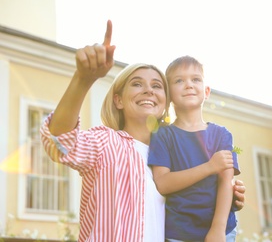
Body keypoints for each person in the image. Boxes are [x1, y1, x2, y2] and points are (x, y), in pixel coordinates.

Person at [40, 20, 245, 242]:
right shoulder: (106, 142)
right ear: (118, 100)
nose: (148, 89)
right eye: (137, 84)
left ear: (166, 102)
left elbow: (197, 197)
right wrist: (83, 79)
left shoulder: (175, 153)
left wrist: (227, 195)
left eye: (157, 86)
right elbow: (59, 143)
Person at [148, 55, 240, 242]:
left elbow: (226, 183)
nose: (189, 84)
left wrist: (218, 229)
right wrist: (209, 167)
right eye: (179, 80)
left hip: (222, 231)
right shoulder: (163, 135)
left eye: (195, 79)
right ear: (169, 94)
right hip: (179, 233)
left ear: (206, 91)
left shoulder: (221, 135)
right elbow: (163, 183)